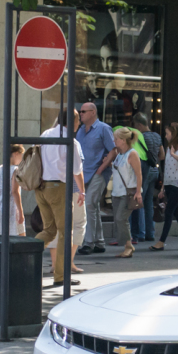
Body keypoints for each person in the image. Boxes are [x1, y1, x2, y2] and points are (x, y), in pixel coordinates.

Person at [36, 119, 85, 286]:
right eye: (78, 120)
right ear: (74, 121)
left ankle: (23, 256)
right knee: (65, 233)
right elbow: (77, 170)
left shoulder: (45, 134)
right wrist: (82, 190)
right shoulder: (71, 141)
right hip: (58, 187)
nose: (79, 123)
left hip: (41, 187)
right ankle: (61, 277)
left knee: (49, 230)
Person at [75, 102, 114, 255]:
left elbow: (113, 150)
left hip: (98, 172)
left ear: (93, 112)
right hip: (84, 173)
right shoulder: (80, 131)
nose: (81, 114)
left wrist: (101, 169)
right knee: (94, 206)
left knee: (89, 204)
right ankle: (99, 242)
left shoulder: (103, 128)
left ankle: (88, 242)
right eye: (80, 111)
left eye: (83, 111)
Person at [153, 122, 178, 251]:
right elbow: (167, 169)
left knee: (169, 211)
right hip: (169, 183)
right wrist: (162, 188)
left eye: (167, 134)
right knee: (177, 212)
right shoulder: (169, 147)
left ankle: (161, 241)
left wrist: (174, 155)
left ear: (174, 134)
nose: (166, 136)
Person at [110, 129, 143, 258]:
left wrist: (138, 192)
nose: (114, 141)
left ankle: (128, 246)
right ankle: (127, 246)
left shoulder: (132, 154)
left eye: (116, 138)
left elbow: (139, 174)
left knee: (121, 218)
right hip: (116, 192)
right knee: (120, 220)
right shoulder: (119, 154)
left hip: (128, 192)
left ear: (123, 140)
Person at [130, 113, 162, 242]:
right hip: (155, 171)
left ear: (138, 125)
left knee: (139, 202)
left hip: (144, 171)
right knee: (149, 203)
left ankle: (141, 233)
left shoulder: (140, 137)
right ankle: (151, 232)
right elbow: (162, 155)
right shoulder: (157, 136)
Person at [0, 144, 25, 237]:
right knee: (21, 239)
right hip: (12, 209)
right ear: (16, 153)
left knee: (2, 241)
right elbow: (14, 191)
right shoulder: (15, 170)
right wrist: (21, 212)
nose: (22, 158)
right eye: (21, 155)